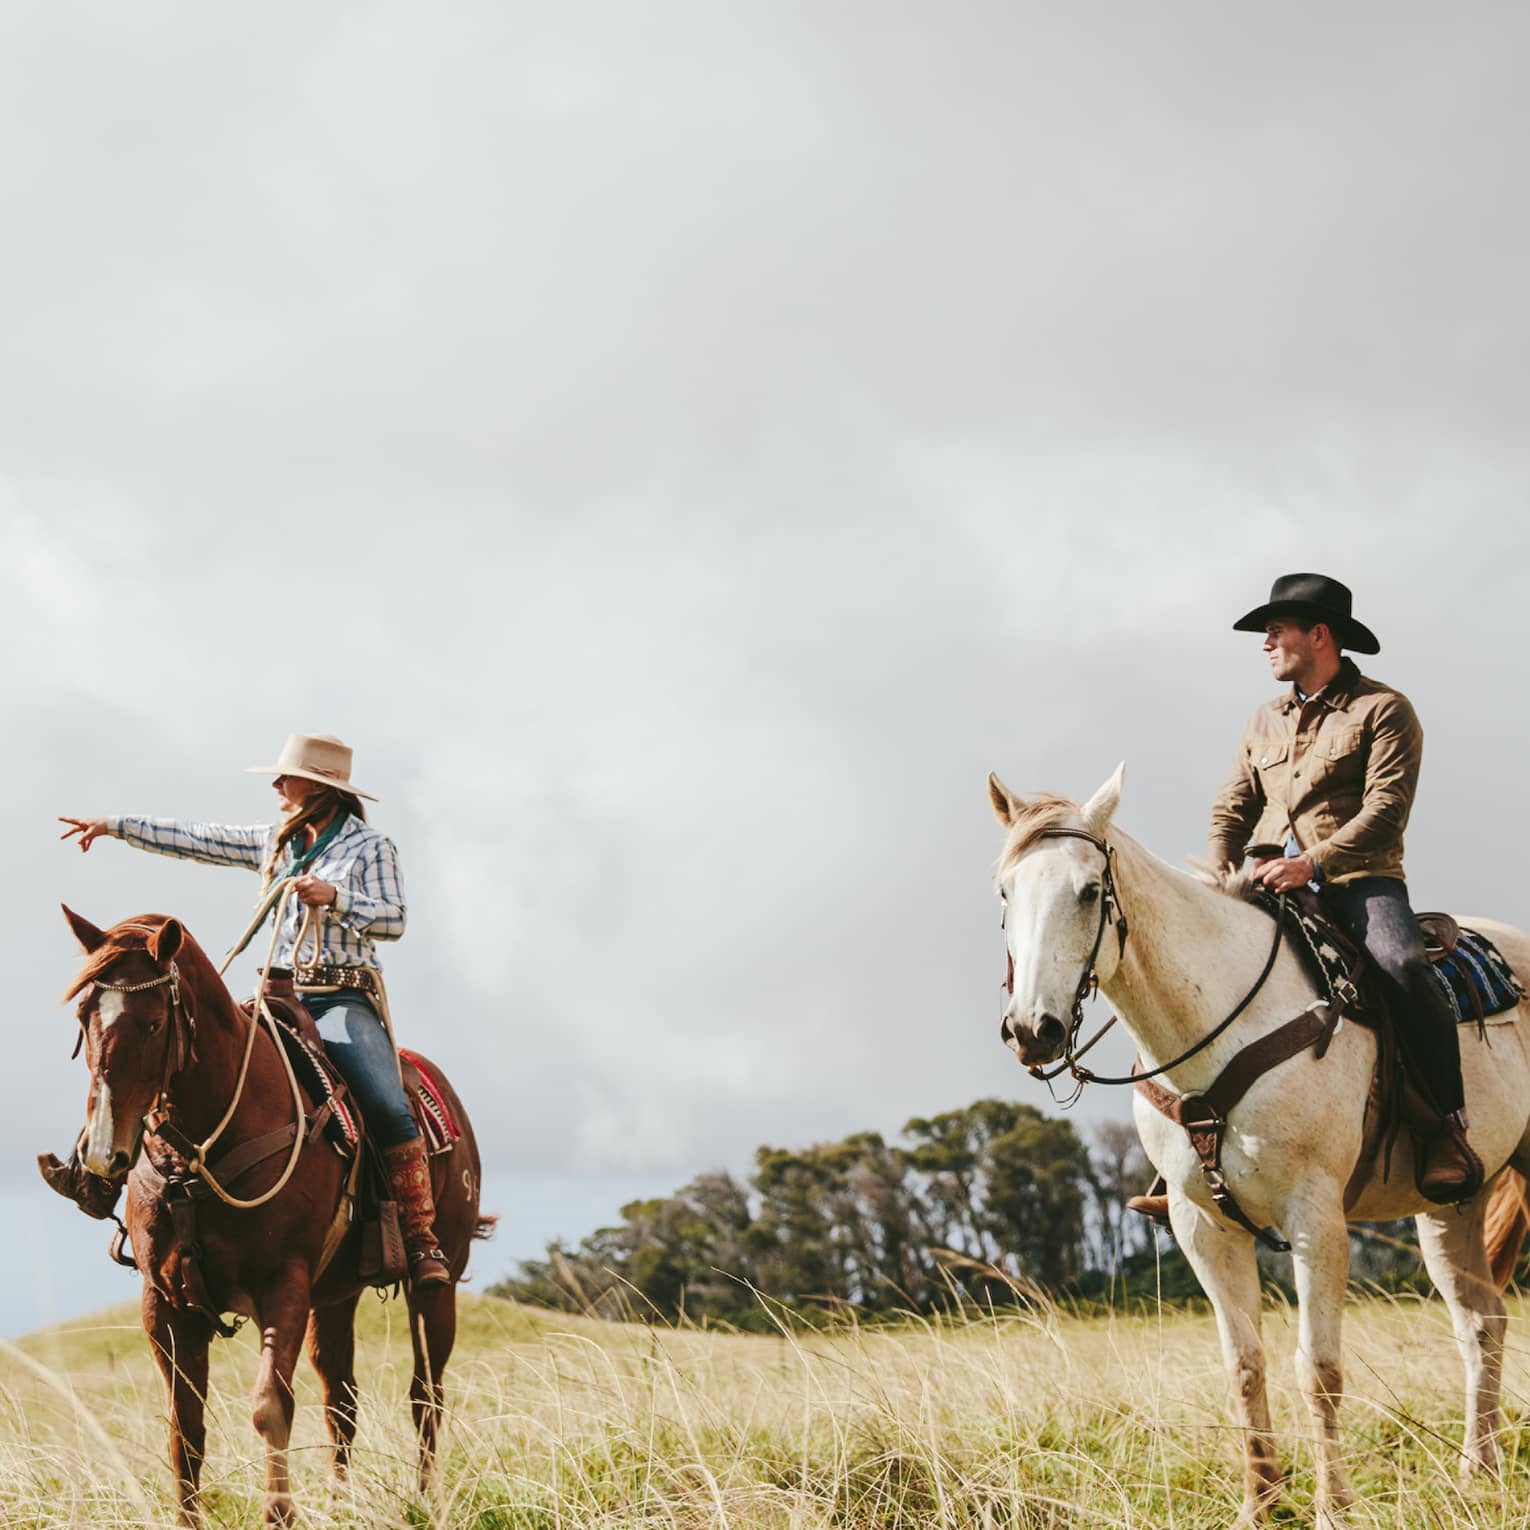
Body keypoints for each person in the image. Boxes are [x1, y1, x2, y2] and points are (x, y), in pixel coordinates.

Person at [43, 732, 450, 1287]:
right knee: (170, 1054)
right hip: (274, 994)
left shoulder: (369, 848)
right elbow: (197, 839)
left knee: (386, 1102)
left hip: (340, 998)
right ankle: (98, 1179)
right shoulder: (276, 842)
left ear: (322, 788)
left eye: (288, 777)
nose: (278, 785)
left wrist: (336, 899)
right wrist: (114, 825)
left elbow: (394, 920)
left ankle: (422, 1239)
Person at [1206, 571, 1479, 1203]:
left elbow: (1385, 810)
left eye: (1276, 630)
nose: (1265, 643)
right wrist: (1222, 878)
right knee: (1203, 974)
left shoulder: (1384, 710)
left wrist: (1313, 864)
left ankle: (1443, 1127)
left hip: (1360, 882)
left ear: (1319, 635)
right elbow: (1231, 810)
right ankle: (1190, 1150)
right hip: (1266, 884)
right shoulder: (1262, 721)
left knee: (1402, 967)